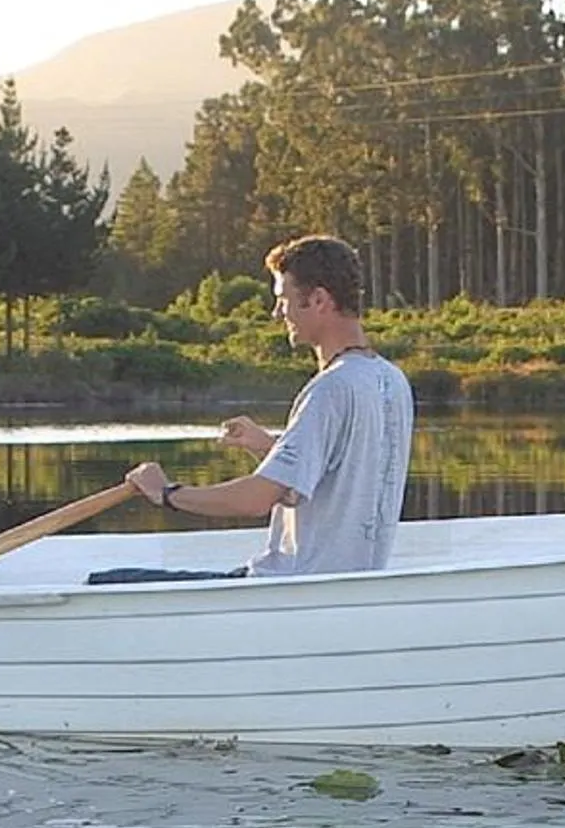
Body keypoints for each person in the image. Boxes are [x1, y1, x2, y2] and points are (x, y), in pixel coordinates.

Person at [113, 235, 413, 580]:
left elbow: (256, 500)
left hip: (295, 583)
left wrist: (166, 492)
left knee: (108, 582)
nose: (277, 313)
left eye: (283, 300)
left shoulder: (331, 388)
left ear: (318, 300)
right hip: (345, 583)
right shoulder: (391, 380)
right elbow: (334, 479)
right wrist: (269, 448)